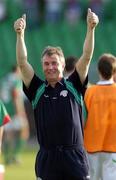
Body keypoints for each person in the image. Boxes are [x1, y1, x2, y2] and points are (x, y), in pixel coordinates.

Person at [14, 8, 99, 180]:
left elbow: (87, 56)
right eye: (46, 63)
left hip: (74, 157)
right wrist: (20, 35)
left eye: (54, 63)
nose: (50, 67)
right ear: (42, 66)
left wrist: (91, 29)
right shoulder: (37, 89)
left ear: (62, 65)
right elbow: (22, 63)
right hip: (47, 158)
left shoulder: (74, 84)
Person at [84, 53, 116, 180]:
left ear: (98, 70)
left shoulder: (90, 91)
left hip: (92, 146)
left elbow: (83, 119)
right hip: (113, 147)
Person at [0, 65, 29, 165]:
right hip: (14, 110)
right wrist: (20, 111)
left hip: (4, 109)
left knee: (8, 134)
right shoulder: (16, 80)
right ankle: (15, 155)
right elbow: (16, 95)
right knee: (25, 130)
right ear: (18, 71)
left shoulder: (5, 79)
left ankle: (7, 158)